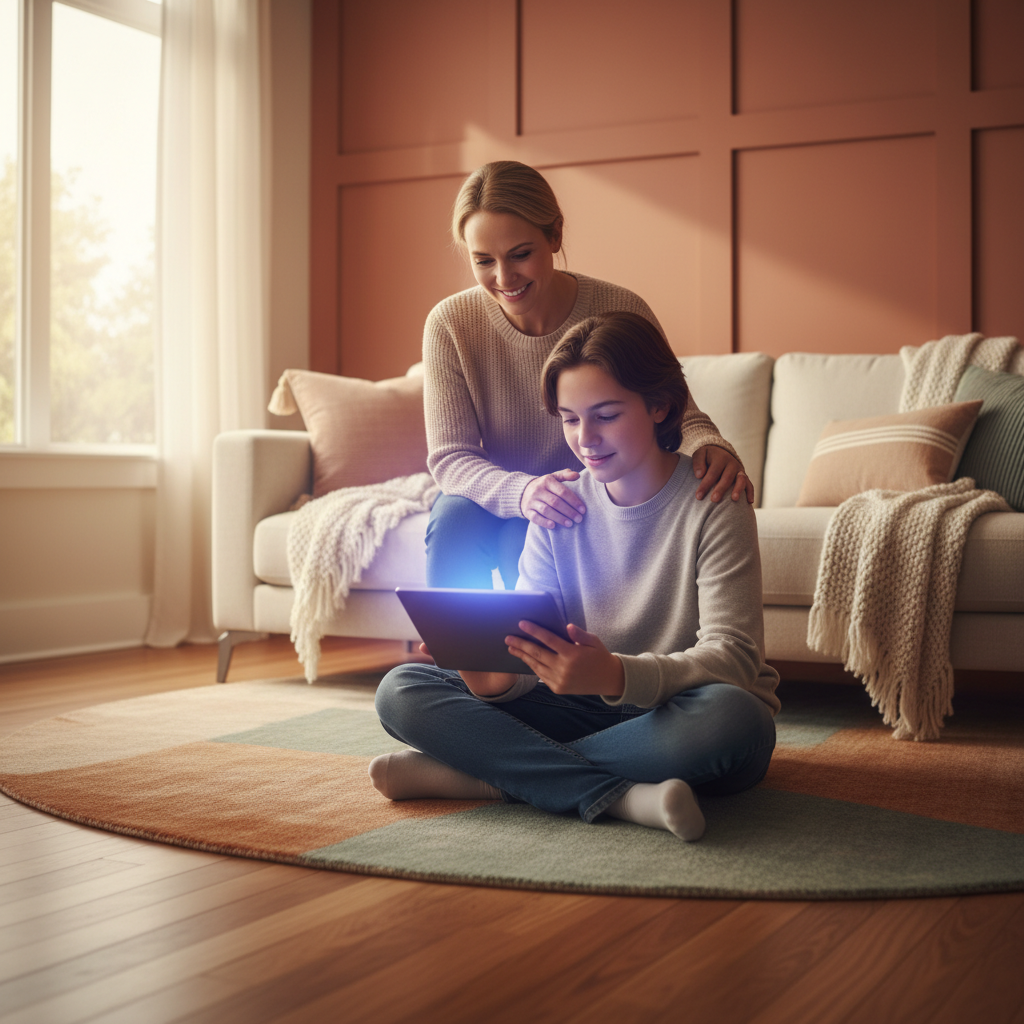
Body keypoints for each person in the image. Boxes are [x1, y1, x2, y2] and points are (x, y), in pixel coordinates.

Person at [371, 311, 780, 841]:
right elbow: (531, 656)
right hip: (579, 709)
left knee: (735, 721)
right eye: (568, 418)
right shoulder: (559, 506)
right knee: (401, 688)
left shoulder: (714, 501)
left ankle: (484, 778)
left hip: (677, 713)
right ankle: (624, 794)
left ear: (659, 406)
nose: (585, 439)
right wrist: (488, 676)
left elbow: (736, 657)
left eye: (605, 415)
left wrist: (614, 675)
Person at [424, 160, 753, 591]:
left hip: (592, 497)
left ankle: (534, 657)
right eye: (483, 260)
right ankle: (455, 648)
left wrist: (710, 446)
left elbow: (677, 411)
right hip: (504, 494)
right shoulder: (450, 323)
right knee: (452, 518)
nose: (504, 278)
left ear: (555, 235)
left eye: (521, 254)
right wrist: (524, 494)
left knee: (520, 539)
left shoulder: (619, 307)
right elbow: (451, 458)